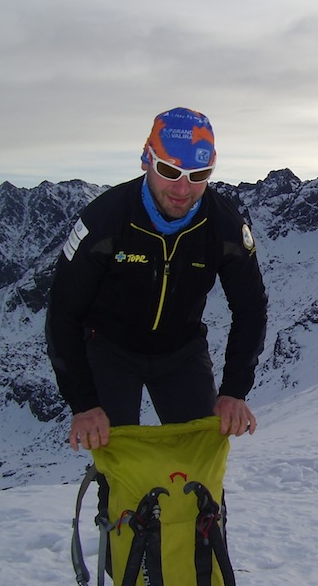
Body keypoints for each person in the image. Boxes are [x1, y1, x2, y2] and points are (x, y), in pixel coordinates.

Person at [45, 107, 267, 450]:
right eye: (169, 170)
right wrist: (84, 403)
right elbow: (63, 310)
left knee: (198, 459)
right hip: (109, 349)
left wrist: (235, 391)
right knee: (119, 467)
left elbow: (250, 307)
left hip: (182, 352)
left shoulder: (224, 228)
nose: (183, 188)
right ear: (146, 160)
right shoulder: (105, 221)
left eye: (198, 174)